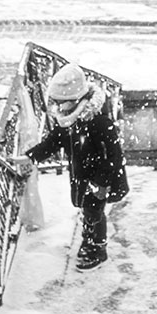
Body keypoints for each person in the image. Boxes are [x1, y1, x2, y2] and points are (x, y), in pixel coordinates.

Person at [25, 62, 129, 271]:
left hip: (101, 178)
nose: (61, 109)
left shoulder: (100, 122)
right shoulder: (69, 122)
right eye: (58, 103)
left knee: (94, 212)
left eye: (66, 103)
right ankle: (88, 241)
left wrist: (102, 182)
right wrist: (31, 156)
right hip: (82, 175)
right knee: (87, 209)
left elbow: (114, 155)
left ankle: (97, 249)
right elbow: (52, 142)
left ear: (80, 100)